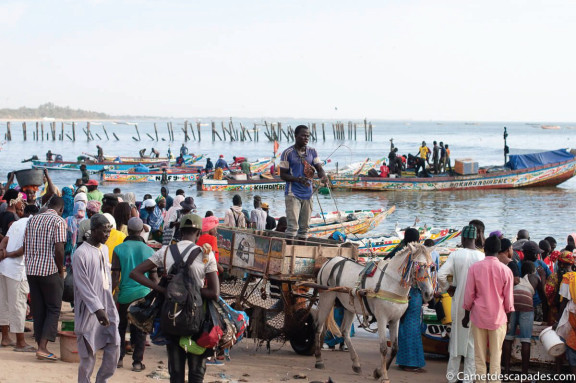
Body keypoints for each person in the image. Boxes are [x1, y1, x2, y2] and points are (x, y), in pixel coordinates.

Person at [129, 214, 219, 383]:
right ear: (198, 233)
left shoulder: (165, 251)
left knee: (176, 372)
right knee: (196, 373)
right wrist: (193, 290)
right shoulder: (205, 254)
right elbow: (214, 293)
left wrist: (161, 289)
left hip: (172, 315)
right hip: (197, 317)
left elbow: (135, 273)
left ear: (180, 231)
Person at [73, 214, 120, 382]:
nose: (107, 235)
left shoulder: (104, 249)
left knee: (114, 345)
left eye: (109, 231)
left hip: (107, 305)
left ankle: (102, 379)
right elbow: (83, 285)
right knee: (88, 353)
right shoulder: (81, 253)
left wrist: (108, 306)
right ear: (93, 230)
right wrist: (98, 309)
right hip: (89, 310)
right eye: (104, 231)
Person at [462, 235, 513, 383]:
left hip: (478, 317)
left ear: (484, 249)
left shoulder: (474, 268)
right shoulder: (506, 270)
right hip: (498, 318)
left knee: (479, 357)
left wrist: (466, 316)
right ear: (499, 250)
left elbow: (469, 296)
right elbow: (509, 301)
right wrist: (508, 321)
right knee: (496, 357)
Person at [437, 225, 485, 383]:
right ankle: (468, 379)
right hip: (476, 305)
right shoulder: (481, 257)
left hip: (458, 303)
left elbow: (441, 275)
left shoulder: (455, 255)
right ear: (475, 238)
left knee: (456, 341)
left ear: (463, 238)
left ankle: (452, 377)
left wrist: (448, 288)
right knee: (472, 343)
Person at [23, 196, 67, 361]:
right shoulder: (59, 221)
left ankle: (40, 344)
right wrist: (60, 270)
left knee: (39, 308)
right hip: (49, 270)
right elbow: (59, 248)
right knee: (54, 308)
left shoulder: (33, 220)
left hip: (32, 269)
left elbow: (26, 244)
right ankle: (42, 347)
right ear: (61, 209)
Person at [111, 217, 155, 372]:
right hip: (143, 295)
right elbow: (154, 278)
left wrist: (111, 294)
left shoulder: (119, 249)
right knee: (140, 329)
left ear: (128, 230)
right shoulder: (149, 250)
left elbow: (115, 276)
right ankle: (137, 362)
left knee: (121, 327)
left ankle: (119, 358)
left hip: (124, 295)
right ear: (141, 231)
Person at [279, 125, 328, 238]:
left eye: (308, 136)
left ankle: (300, 254)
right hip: (293, 194)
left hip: (308, 194)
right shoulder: (287, 153)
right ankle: (289, 254)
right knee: (292, 228)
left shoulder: (312, 152)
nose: (306, 138)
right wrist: (298, 179)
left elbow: (319, 169)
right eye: (303, 136)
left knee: (304, 229)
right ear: (296, 136)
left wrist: (323, 176)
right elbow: (283, 175)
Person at [0, 204, 36, 352]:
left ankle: (5, 338)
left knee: (4, 303)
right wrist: (7, 254)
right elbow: (25, 248)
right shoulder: (32, 225)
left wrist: (2, 252)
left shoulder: (17, 223)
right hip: (16, 270)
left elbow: (5, 240)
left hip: (3, 267)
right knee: (18, 306)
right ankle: (20, 342)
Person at [503, 260, 547, 377]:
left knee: (508, 337)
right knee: (525, 340)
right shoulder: (534, 278)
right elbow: (543, 295)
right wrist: (542, 277)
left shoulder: (517, 279)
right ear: (533, 271)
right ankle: (524, 374)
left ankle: (506, 370)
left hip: (512, 302)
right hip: (526, 304)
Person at [396, 231, 426, 372]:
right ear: (418, 239)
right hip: (413, 294)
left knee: (402, 325)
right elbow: (422, 277)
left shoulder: (399, 251)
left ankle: (402, 360)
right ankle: (411, 363)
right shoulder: (418, 254)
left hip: (397, 293)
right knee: (412, 327)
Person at [521, 240, 551, 321]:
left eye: (537, 253)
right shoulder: (519, 265)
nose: (537, 255)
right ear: (526, 253)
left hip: (538, 302)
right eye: (535, 253)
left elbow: (551, 277)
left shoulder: (540, 263)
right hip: (523, 302)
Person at [65, 201, 86, 270]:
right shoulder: (86, 221)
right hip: (82, 248)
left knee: (69, 269)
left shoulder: (68, 219)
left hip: (69, 247)